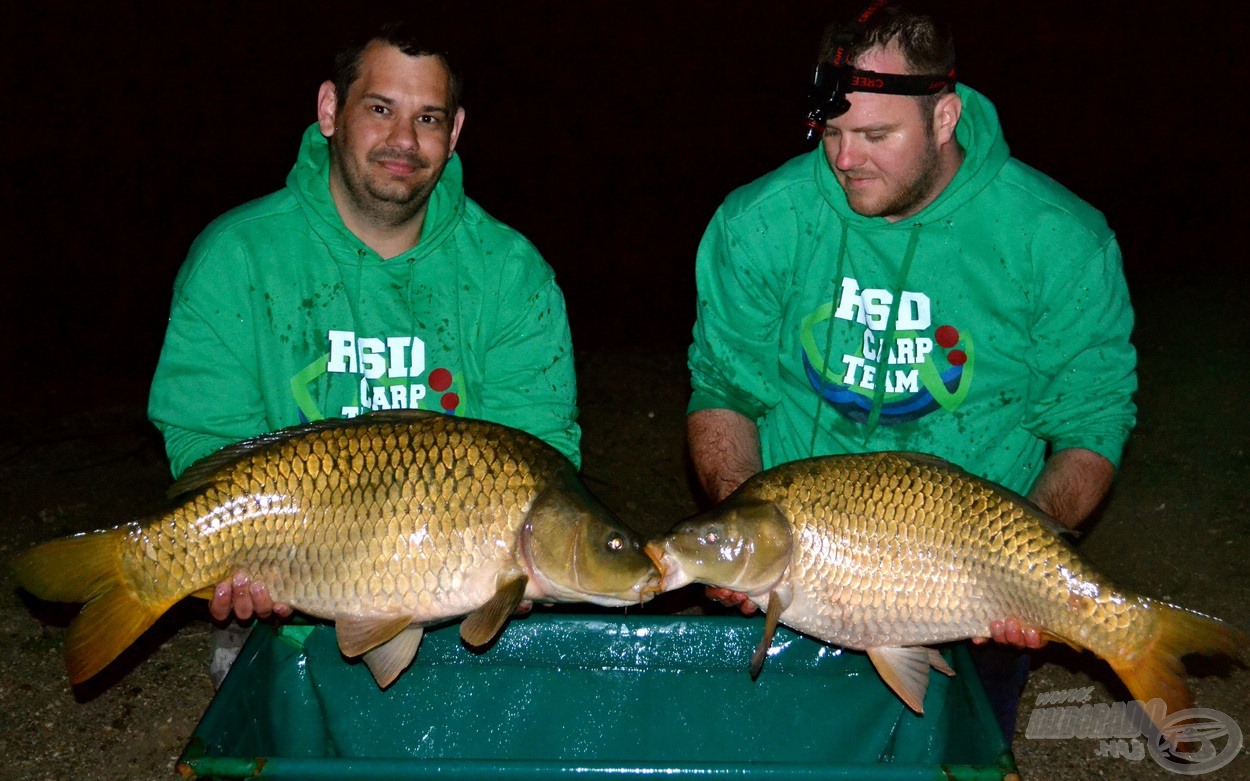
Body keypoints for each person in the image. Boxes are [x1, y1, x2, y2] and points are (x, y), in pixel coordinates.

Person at [686, 3, 1136, 739]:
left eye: (875, 135)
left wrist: (1026, 559)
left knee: (959, 755)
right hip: (806, 575)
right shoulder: (759, 222)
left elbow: (1091, 422)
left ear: (945, 117)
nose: (844, 159)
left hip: (967, 582)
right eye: (830, 133)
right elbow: (723, 389)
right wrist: (744, 528)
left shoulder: (1060, 240)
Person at [148, 22, 581, 687]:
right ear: (330, 110)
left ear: (455, 131)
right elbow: (206, 436)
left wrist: (527, 567)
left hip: (455, 586)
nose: (404, 141)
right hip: (285, 571)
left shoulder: (512, 276)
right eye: (381, 108)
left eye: (428, 118)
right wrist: (234, 559)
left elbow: (540, 451)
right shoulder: (235, 257)